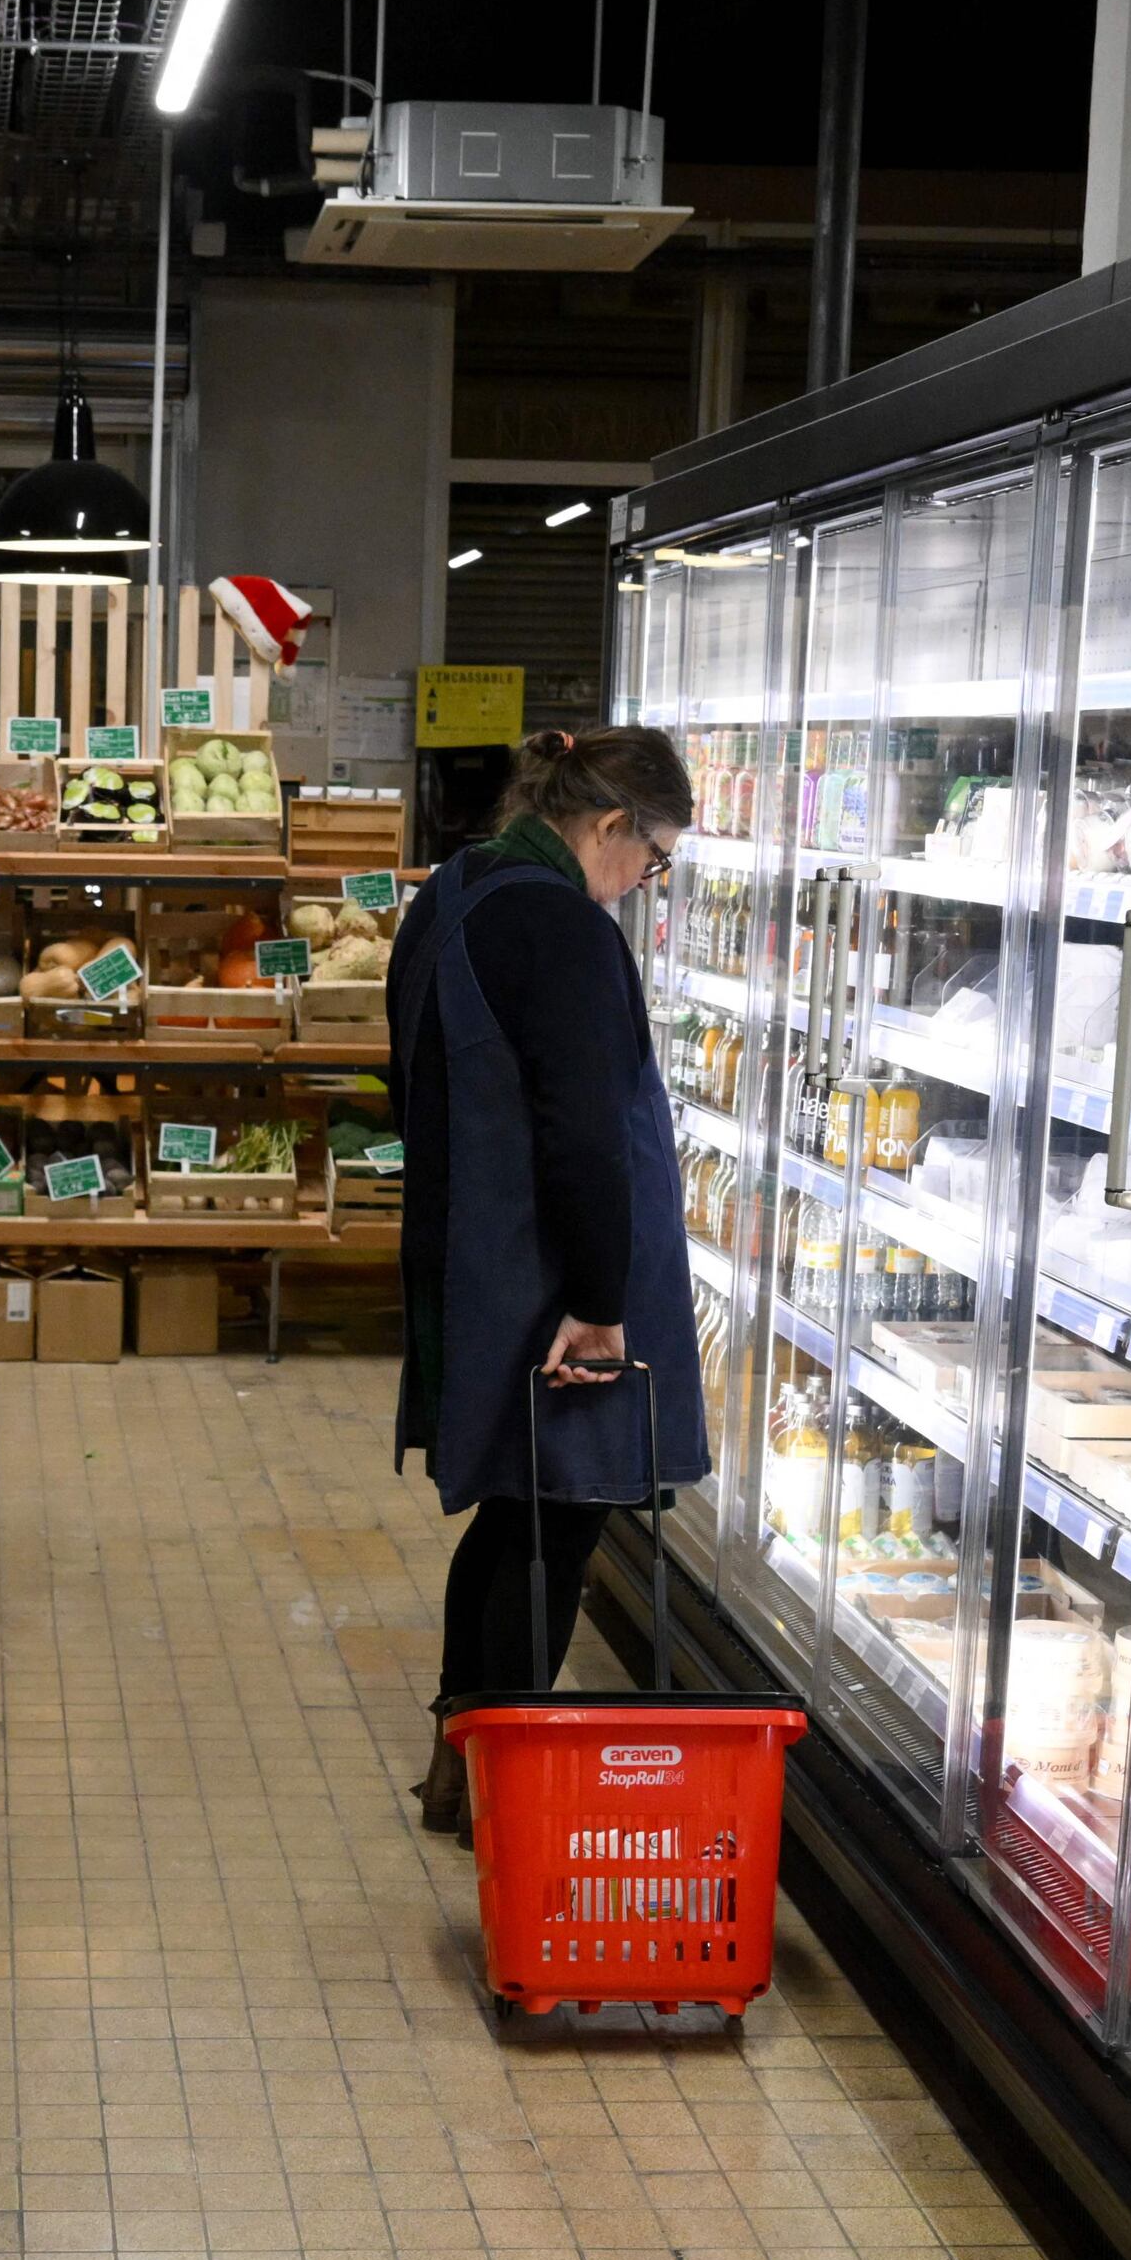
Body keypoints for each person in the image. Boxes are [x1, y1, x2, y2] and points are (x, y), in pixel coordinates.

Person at [392, 724, 707, 1839]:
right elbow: (581, 1133)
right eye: (652, 858)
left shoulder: (459, 887)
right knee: (554, 1528)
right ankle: (503, 1794)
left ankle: (458, 1769)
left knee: (508, 1520)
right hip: (543, 1273)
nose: (644, 885)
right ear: (610, 825)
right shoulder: (560, 925)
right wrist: (599, 1301)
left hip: (474, 1254)